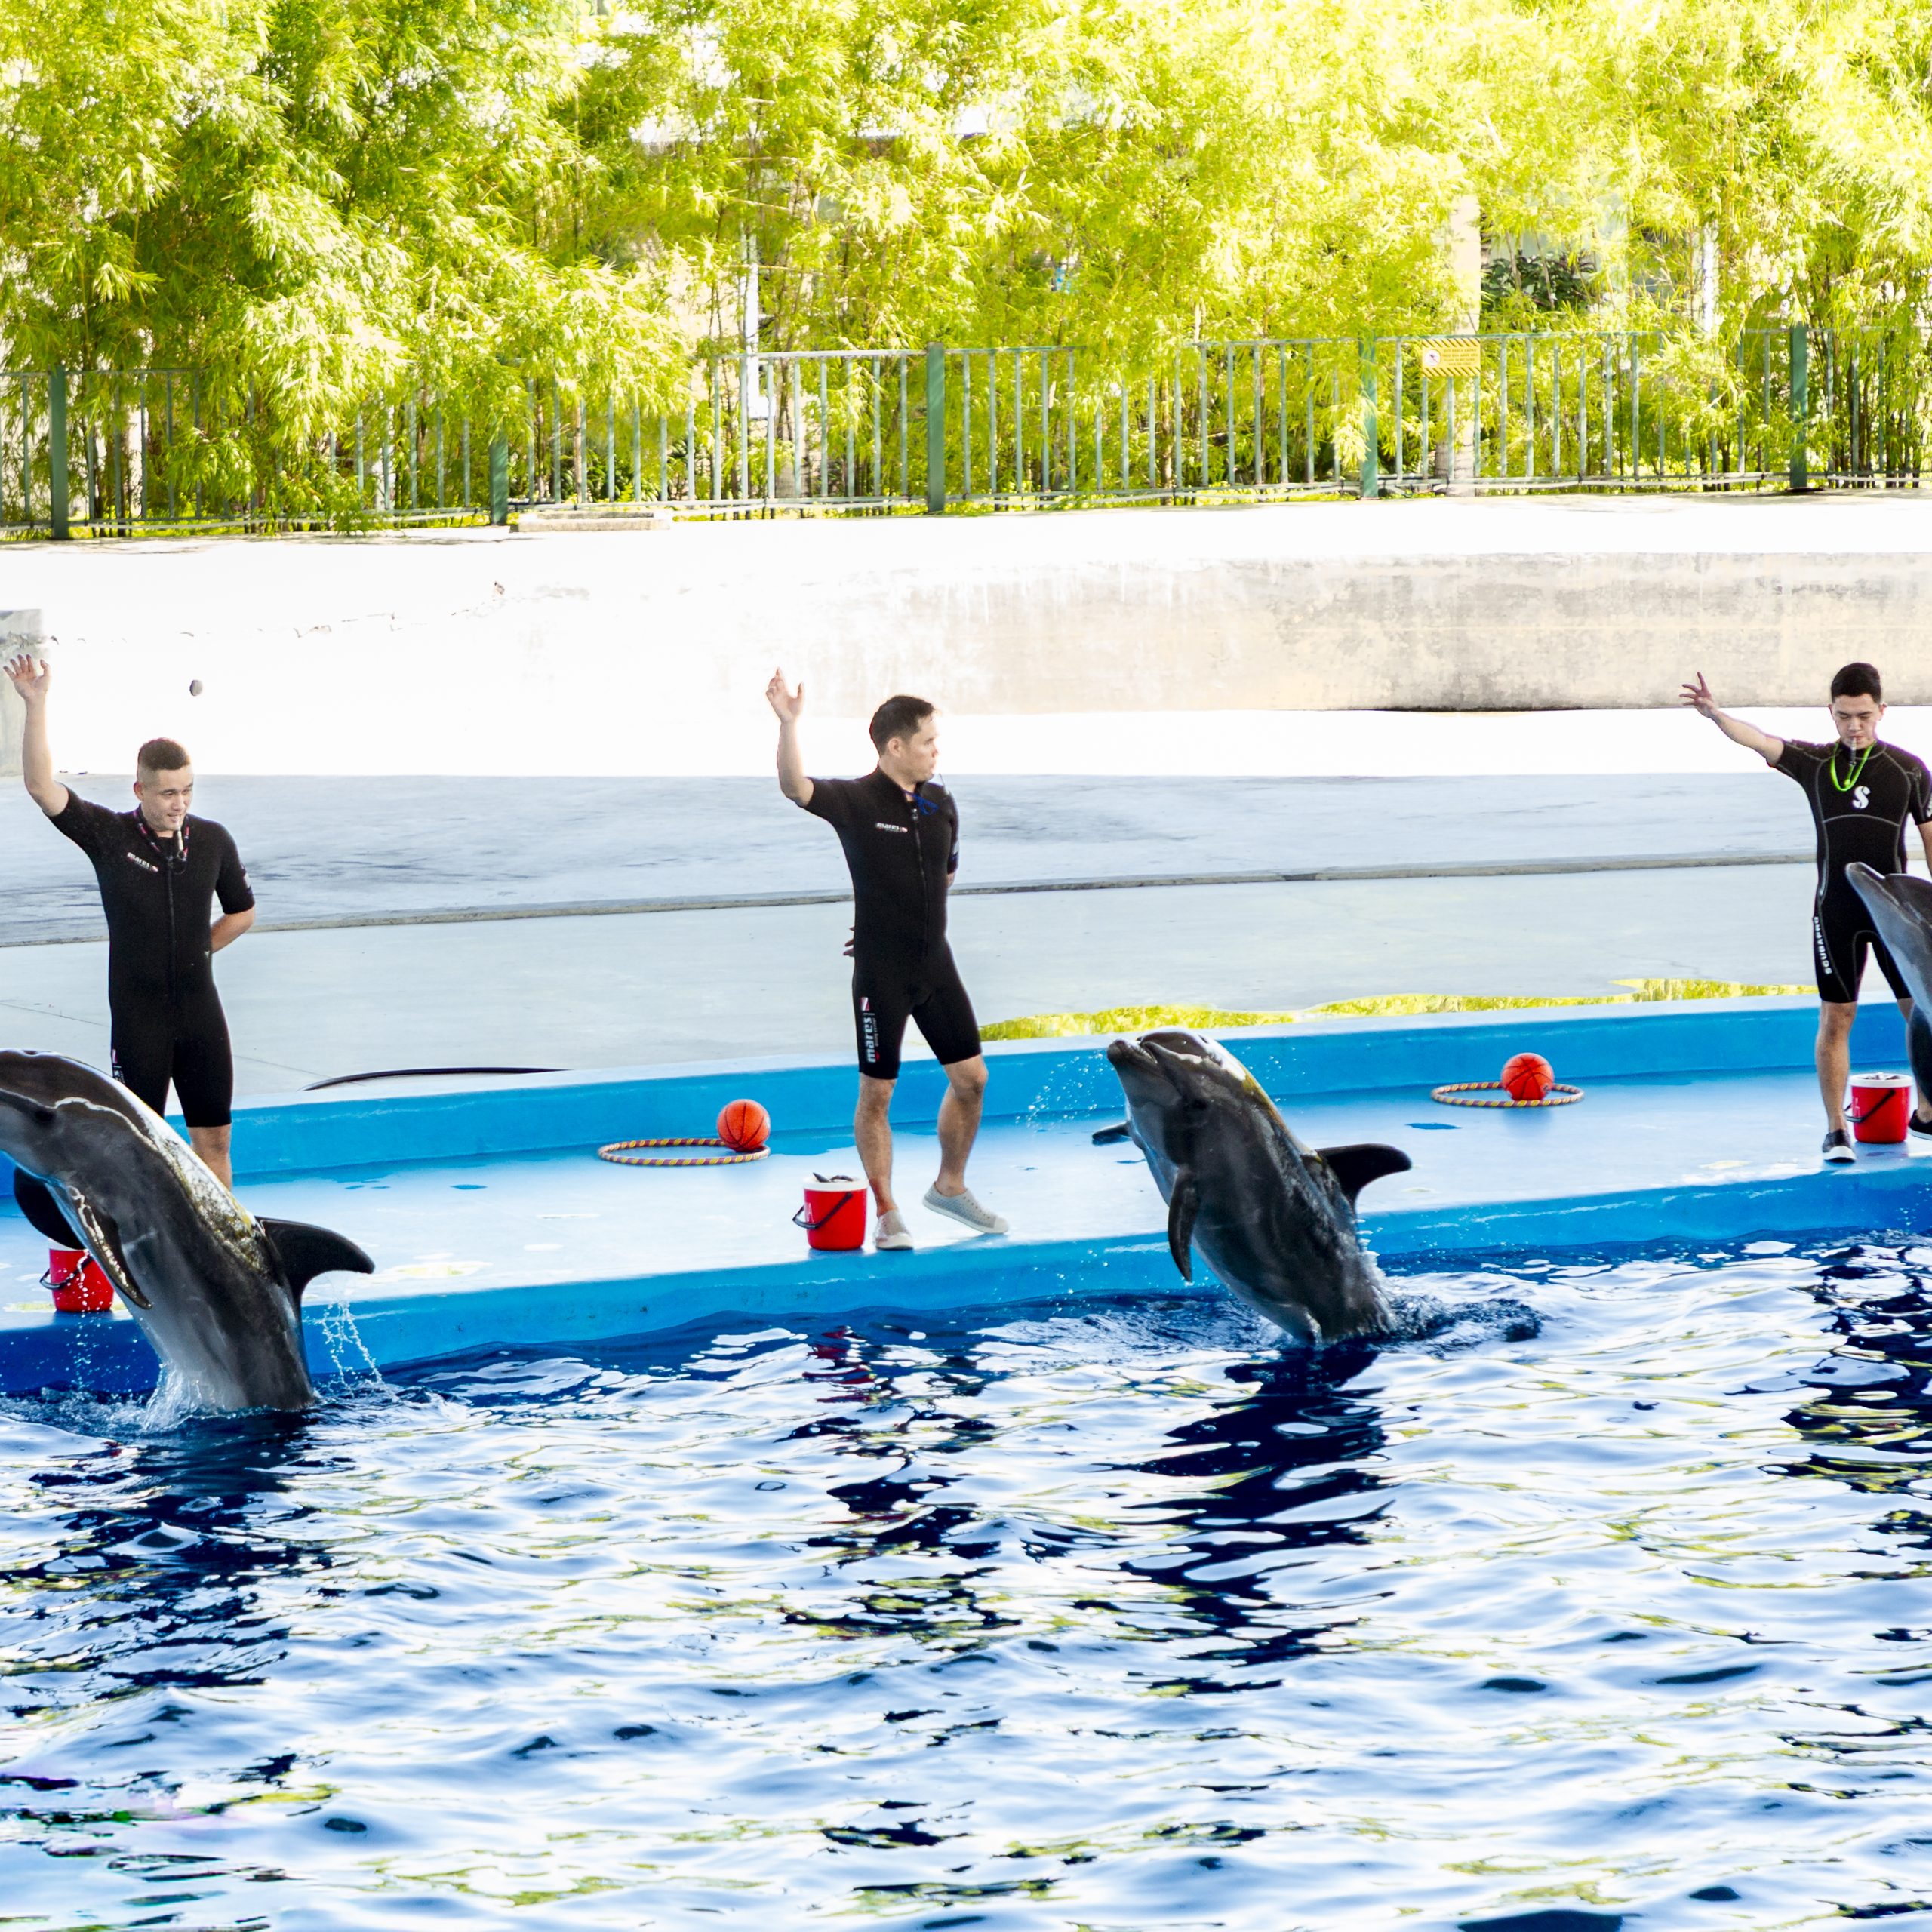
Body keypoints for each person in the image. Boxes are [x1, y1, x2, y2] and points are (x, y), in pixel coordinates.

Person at [766, 670, 1007, 1250]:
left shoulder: (941, 800)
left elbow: (944, 873)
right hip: (882, 972)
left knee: (972, 1080)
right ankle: (887, 1211)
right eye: (928, 741)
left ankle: (949, 1188)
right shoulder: (855, 800)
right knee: (878, 1093)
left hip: (935, 963)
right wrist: (790, 724)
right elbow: (794, 787)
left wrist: (902, 916)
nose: (936, 751)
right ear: (895, 746)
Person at [4, 653, 256, 1189]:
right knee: (144, 1146)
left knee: (214, 1141)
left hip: (200, 1012)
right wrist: (37, 703)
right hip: (140, 1020)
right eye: (168, 793)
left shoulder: (212, 841)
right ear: (140, 790)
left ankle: (223, 1260)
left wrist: (200, 949)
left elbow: (242, 913)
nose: (179, 803)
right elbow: (41, 788)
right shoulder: (109, 837)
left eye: (187, 790)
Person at [1681, 661, 1932, 1161]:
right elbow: (1760, 739)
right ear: (1831, 714)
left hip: (1892, 914)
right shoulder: (1816, 764)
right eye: (1844, 717)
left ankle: (1927, 1113)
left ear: (1882, 711)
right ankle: (1837, 1129)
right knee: (1837, 1016)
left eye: (1863, 716)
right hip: (1836, 910)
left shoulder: (1909, 770)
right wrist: (1715, 715)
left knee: (1922, 1011)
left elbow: (1930, 841)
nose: (1854, 726)